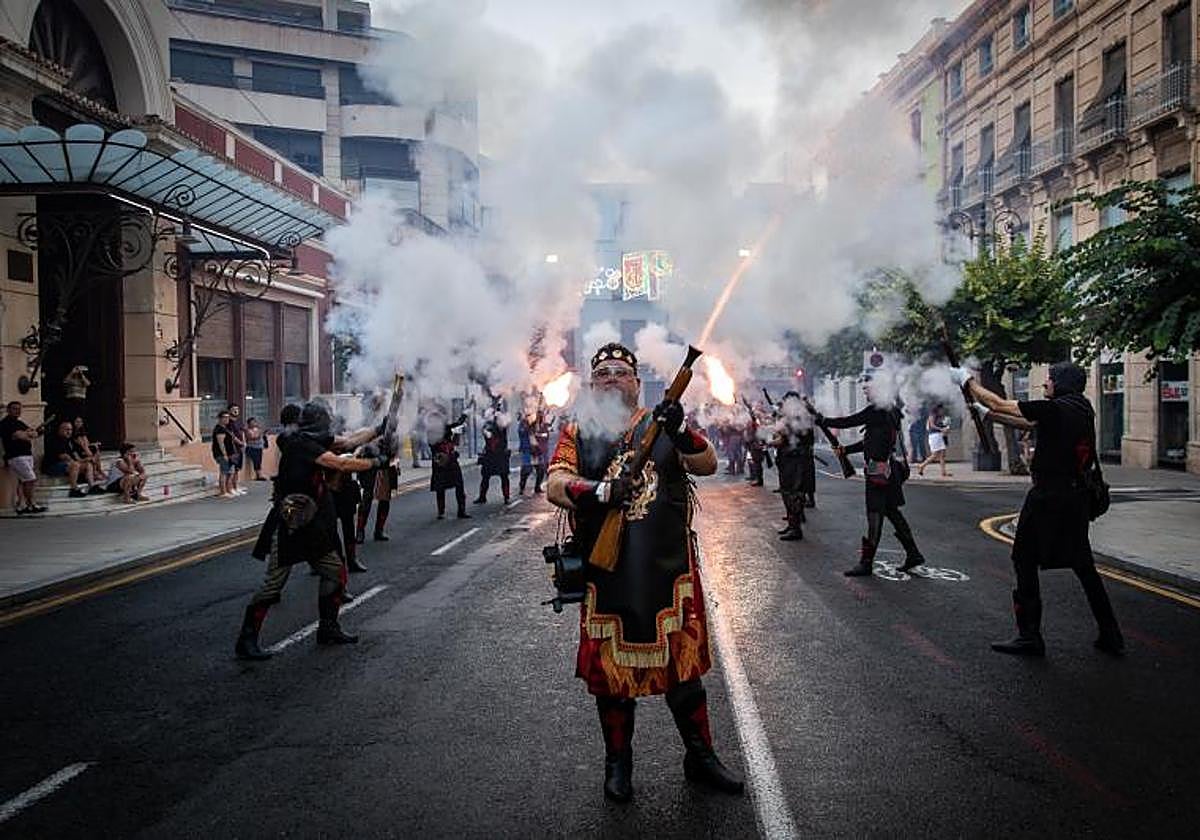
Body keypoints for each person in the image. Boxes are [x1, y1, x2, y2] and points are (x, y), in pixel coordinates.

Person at [547, 342, 743, 803]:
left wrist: (682, 433)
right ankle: (618, 765)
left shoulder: (662, 426)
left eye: (621, 372)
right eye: (603, 373)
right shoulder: (578, 431)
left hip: (668, 571)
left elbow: (707, 464)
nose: (612, 378)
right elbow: (555, 483)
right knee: (611, 683)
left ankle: (701, 757)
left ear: (637, 383)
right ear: (592, 386)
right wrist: (598, 492)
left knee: (685, 675)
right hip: (607, 571)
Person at [958, 362, 1123, 656]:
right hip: (1075, 499)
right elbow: (1030, 423)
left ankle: (1029, 636)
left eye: (1050, 379)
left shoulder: (1057, 408)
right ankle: (1111, 633)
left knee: (1023, 558)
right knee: (1084, 566)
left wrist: (968, 382)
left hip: (1048, 498)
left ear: (1061, 382)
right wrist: (989, 415)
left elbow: (999, 401)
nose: (1046, 383)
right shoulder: (1080, 407)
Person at [233, 401, 393, 660]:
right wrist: (376, 463)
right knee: (273, 584)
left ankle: (328, 628)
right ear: (318, 423)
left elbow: (349, 441)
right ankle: (247, 639)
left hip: (312, 523)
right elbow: (340, 464)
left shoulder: (312, 438)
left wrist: (378, 428)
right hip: (291, 524)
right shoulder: (299, 444)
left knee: (335, 571)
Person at [821, 378, 925, 576]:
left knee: (875, 515)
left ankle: (866, 563)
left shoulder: (877, 410)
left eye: (867, 389)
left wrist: (824, 421)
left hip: (878, 472)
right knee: (892, 513)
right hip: (888, 471)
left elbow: (848, 422)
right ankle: (913, 553)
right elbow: (870, 440)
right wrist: (847, 450)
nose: (865, 392)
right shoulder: (889, 410)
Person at [771, 393, 811, 541]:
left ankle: (795, 528)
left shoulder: (797, 419)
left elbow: (783, 438)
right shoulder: (796, 418)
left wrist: (771, 441)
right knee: (787, 492)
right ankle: (792, 524)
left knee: (792, 493)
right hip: (789, 459)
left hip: (793, 461)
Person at [1, 401, 47, 514]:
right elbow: (19, 435)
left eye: (19, 408)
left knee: (23, 481)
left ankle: (20, 505)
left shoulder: (20, 423)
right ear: (8, 410)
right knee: (31, 478)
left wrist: (33, 433)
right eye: (14, 408)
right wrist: (28, 434)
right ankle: (31, 504)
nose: (18, 411)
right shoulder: (5, 423)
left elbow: (33, 433)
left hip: (27, 455)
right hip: (16, 456)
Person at [43, 420, 100, 496]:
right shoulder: (54, 440)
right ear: (60, 430)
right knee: (75, 465)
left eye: (71, 430)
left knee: (88, 465)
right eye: (67, 429)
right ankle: (74, 489)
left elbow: (75, 455)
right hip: (52, 466)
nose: (69, 432)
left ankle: (92, 486)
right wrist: (79, 462)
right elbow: (64, 457)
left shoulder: (69, 441)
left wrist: (85, 460)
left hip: (67, 465)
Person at [430, 413, 469, 519]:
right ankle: (441, 512)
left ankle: (461, 510)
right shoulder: (433, 433)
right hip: (440, 463)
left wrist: (461, 424)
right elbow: (435, 449)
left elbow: (454, 435)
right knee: (440, 488)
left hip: (451, 461)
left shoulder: (446, 429)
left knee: (459, 486)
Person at [475, 408, 511, 504]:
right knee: (485, 477)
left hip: (500, 455)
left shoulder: (501, 428)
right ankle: (482, 497)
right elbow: (486, 433)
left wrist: (498, 415)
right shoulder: (488, 427)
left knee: (504, 477)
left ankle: (506, 497)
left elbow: (504, 426)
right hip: (490, 455)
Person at [916, 403, 952, 478]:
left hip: (939, 435)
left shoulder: (940, 417)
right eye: (941, 409)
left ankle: (943, 472)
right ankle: (922, 465)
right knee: (935, 455)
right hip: (934, 436)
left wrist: (945, 429)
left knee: (942, 454)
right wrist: (941, 429)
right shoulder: (932, 415)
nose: (942, 411)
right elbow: (932, 425)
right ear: (938, 409)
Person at [70, 416, 105, 483]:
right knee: (92, 454)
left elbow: (87, 443)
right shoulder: (73, 433)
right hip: (78, 451)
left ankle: (99, 470)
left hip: (84, 449)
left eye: (80, 422)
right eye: (77, 422)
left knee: (96, 449)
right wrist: (89, 451)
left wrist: (94, 444)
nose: (79, 423)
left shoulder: (82, 432)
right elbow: (82, 445)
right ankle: (95, 472)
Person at [211, 411, 237, 498]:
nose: (227, 419)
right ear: (220, 418)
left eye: (228, 417)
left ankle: (229, 489)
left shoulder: (226, 428)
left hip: (230, 453)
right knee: (224, 472)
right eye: (224, 417)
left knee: (230, 472)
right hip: (221, 454)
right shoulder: (219, 429)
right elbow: (221, 443)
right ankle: (223, 491)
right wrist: (224, 454)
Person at [226, 403, 247, 496]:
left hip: (240, 448)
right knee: (231, 469)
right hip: (232, 448)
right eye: (234, 409)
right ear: (229, 411)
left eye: (237, 409)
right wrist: (240, 443)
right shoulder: (229, 423)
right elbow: (232, 436)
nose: (236, 411)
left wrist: (244, 443)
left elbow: (242, 432)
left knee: (237, 469)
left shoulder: (238, 422)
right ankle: (229, 488)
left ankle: (235, 487)